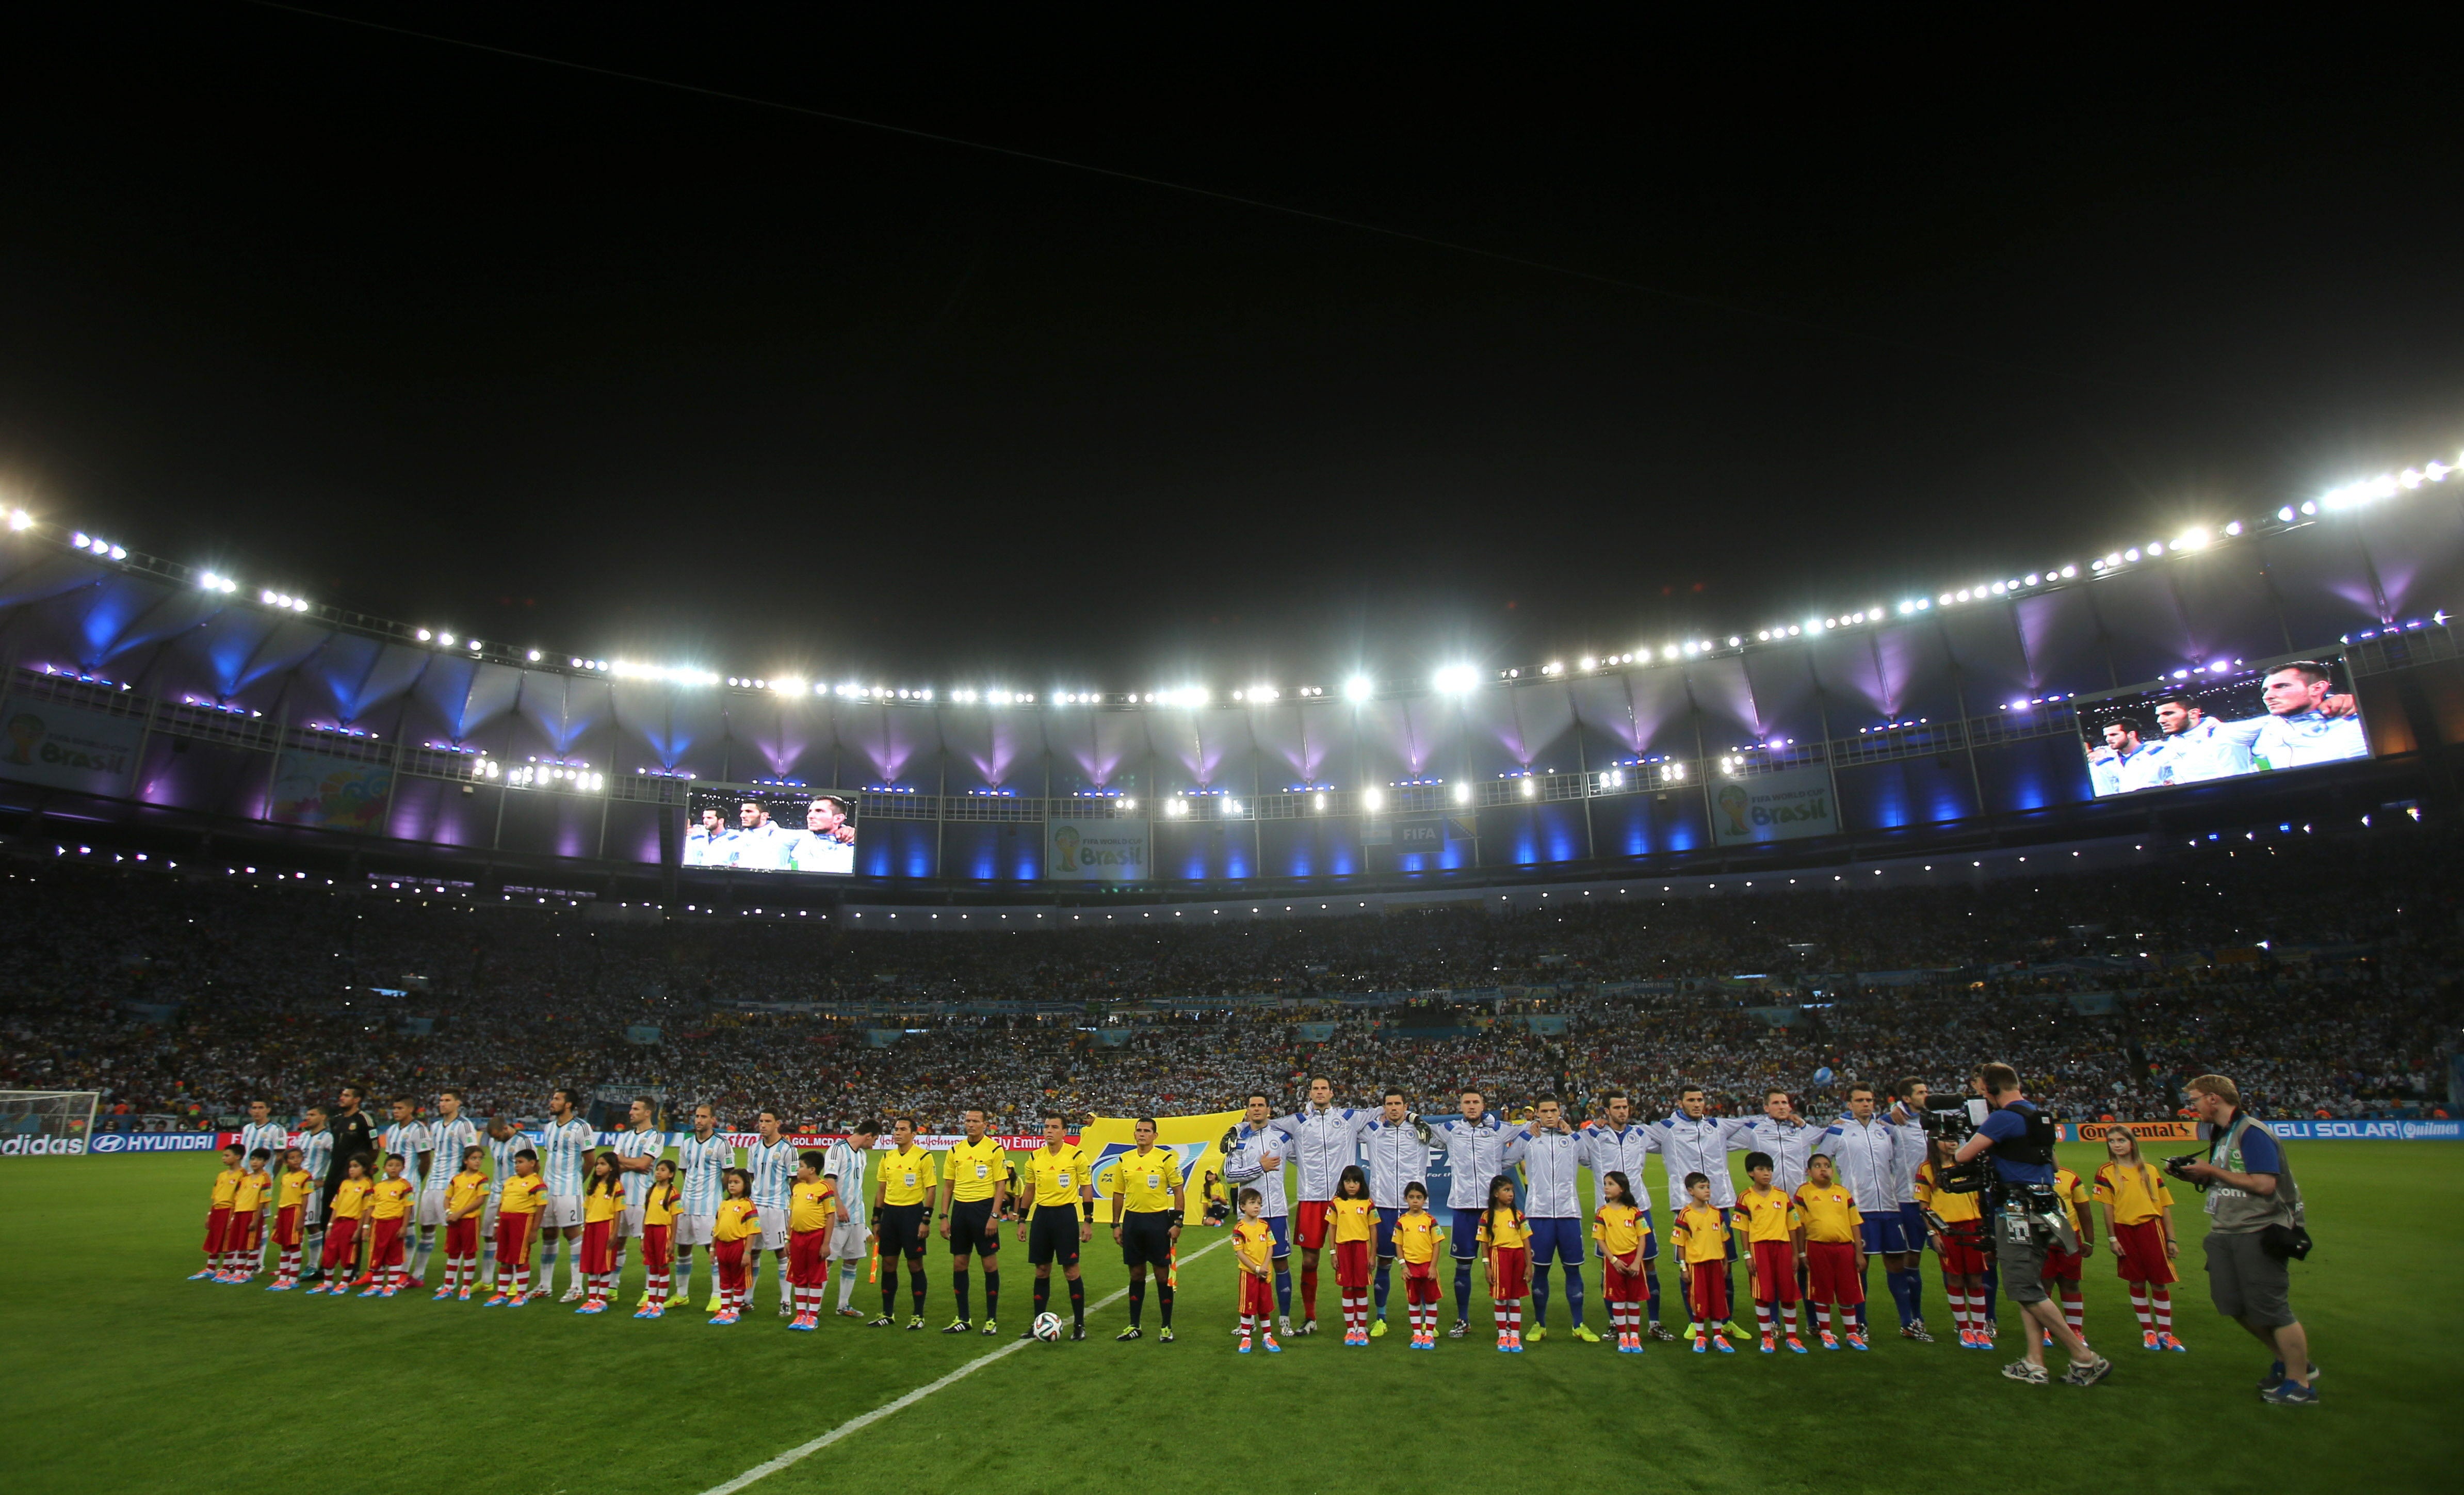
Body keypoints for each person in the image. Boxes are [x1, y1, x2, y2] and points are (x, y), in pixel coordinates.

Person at [1949, 1061, 2112, 1387]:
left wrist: (1967, 1142)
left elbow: (1963, 1157)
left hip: (2016, 1210)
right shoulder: (2040, 1116)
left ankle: (2083, 1356)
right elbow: (2053, 1162)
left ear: (1992, 1089)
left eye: (1983, 1090)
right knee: (2032, 1286)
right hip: (2046, 1207)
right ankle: (2034, 1362)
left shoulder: (2003, 1119)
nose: (1983, 1096)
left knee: (2023, 1287)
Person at [2175, 1074, 2314, 1404]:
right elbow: (2229, 1181)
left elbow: (2265, 1185)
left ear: (2213, 1099)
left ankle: (2301, 1383)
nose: (2191, 1108)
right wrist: (2194, 1174)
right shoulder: (2224, 1133)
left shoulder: (2252, 1133)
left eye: (2194, 1100)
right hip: (2226, 1228)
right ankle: (2286, 1359)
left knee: (2272, 1308)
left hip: (2259, 1229)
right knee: (2233, 1304)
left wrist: (2210, 1171)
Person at [1272, 1076, 1375, 1336]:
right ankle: (1310, 1318)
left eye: (1324, 1089)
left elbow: (1385, 1109)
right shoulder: (1298, 1121)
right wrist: (1237, 1131)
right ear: (1309, 1093)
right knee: (1309, 1260)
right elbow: (1264, 1123)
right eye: (1315, 1089)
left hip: (1345, 1202)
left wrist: (1412, 1118)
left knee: (1354, 1261)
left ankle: (1357, 1322)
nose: (1320, 1092)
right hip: (1311, 1199)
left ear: (1332, 1092)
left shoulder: (1349, 1117)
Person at [1654, 1085, 1756, 1340]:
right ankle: (1694, 1321)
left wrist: (1787, 1116)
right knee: (1688, 1265)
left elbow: (1752, 1122)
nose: (1697, 1104)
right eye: (1691, 1100)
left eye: (1700, 1099)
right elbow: (1631, 1132)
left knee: (1725, 1265)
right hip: (1685, 1207)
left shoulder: (1717, 1127)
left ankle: (1727, 1320)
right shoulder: (1666, 1128)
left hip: (1719, 1204)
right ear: (1680, 1103)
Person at [1818, 1083, 1919, 1340]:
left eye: (1870, 1100)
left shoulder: (1886, 1130)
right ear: (1849, 1104)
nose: (1866, 1104)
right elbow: (1820, 1164)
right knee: (1859, 1266)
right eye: (1860, 1100)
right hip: (1858, 1210)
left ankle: (1908, 1323)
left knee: (1897, 1263)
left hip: (1890, 1206)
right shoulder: (1838, 1130)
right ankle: (1860, 1323)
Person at [1580, 1090, 1673, 1340]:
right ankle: (1614, 1322)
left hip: (1639, 1209)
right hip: (1609, 1214)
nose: (1623, 1111)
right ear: (1606, 1111)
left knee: (1648, 1264)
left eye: (1625, 1107)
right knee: (1608, 1267)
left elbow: (1675, 1132)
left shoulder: (1641, 1134)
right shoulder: (1592, 1136)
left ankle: (1654, 1322)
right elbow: (1567, 1142)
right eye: (1617, 1107)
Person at [1503, 1095, 1596, 1343]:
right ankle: (1539, 1324)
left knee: (1573, 1269)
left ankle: (1579, 1324)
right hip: (1539, 1214)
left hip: (1569, 1213)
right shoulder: (1530, 1139)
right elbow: (1504, 1161)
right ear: (1538, 1114)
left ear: (1560, 1112)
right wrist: (1524, 1132)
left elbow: (1591, 1160)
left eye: (1553, 1110)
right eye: (1544, 1111)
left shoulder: (1572, 1140)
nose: (1549, 1115)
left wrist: (1574, 1134)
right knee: (1539, 1272)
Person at [1425, 1089, 1510, 1339]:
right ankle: (1463, 1319)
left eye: (1476, 1102)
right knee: (1463, 1266)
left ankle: (1505, 1322)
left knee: (1500, 1265)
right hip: (1462, 1209)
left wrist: (1500, 1168)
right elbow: (1421, 1132)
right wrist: (1407, 1117)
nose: (1471, 1106)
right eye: (1467, 1102)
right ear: (1460, 1106)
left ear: (1484, 1105)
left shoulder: (1499, 1130)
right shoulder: (1451, 1130)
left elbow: (1529, 1132)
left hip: (1491, 1211)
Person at [2093, 1129, 2185, 1352]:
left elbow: (2164, 1206)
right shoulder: (2106, 1172)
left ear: (2132, 1143)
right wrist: (2112, 1238)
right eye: (2112, 1141)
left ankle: (2166, 1334)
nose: (2117, 1145)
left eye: (2121, 1140)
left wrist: (2171, 1239)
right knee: (2135, 1280)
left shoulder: (2150, 1171)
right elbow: (2108, 1208)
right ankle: (2149, 1332)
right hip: (2124, 1230)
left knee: (2159, 1280)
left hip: (2152, 1228)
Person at [1221, 1092, 1296, 1336]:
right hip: (1250, 1218)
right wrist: (1259, 1168)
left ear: (1268, 1110)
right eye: (1252, 1106)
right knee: (1250, 1267)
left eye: (1261, 1105)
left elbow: (1306, 1159)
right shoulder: (1239, 1141)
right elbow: (1230, 1175)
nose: (1256, 1109)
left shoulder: (1283, 1138)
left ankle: (1284, 1319)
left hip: (1276, 1211)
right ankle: (1249, 1319)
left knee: (1281, 1262)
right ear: (1247, 1110)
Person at [1016, 1110, 1094, 1341]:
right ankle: (1038, 1323)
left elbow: (1086, 1188)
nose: (1048, 1131)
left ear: (1065, 1132)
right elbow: (1029, 1190)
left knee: (1071, 1271)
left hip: (1065, 1217)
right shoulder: (1035, 1157)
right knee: (1041, 1270)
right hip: (1042, 1217)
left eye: (1054, 1128)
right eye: (1046, 1127)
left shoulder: (1076, 1156)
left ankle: (1079, 1325)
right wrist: (1022, 1219)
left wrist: (1088, 1221)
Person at [1108, 1116, 1185, 1342]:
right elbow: (1118, 1194)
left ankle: (1166, 1326)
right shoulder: (1124, 1160)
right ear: (1135, 1134)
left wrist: (1178, 1222)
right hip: (1133, 1222)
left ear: (1155, 1136)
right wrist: (1116, 1224)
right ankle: (1134, 1325)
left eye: (1147, 1131)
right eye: (1139, 1130)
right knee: (1136, 1274)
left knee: (1162, 1275)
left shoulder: (1166, 1159)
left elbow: (1179, 1191)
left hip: (1158, 1221)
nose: (1142, 1134)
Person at [1359, 1089, 1428, 1338]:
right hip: (1385, 1206)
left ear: (1406, 1106)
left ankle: (1425, 1320)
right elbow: (1346, 1127)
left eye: (1398, 1104)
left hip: (1415, 1210)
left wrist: (1416, 1119)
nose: (1394, 1108)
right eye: (1389, 1104)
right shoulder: (1374, 1132)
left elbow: (1451, 1135)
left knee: (1421, 1265)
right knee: (1384, 1263)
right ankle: (1381, 1317)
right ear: (1384, 1107)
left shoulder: (1421, 1130)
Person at [2211, 662, 2366, 771]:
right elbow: (2222, 734)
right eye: (2265, 691)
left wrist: (2361, 701)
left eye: (2281, 686)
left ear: (2317, 688)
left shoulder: (2356, 720)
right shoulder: (2265, 732)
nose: (2268, 697)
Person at [1915, 1134, 1992, 1348]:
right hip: (1947, 1229)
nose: (1952, 1143)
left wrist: (1985, 1231)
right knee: (1955, 1279)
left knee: (1976, 1279)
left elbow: (1981, 1200)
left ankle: (1980, 1329)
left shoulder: (1969, 1164)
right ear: (1935, 1143)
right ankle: (1964, 1329)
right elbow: (1924, 1207)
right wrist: (1933, 1234)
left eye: (1954, 1139)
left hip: (1973, 1226)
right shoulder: (1927, 1169)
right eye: (1946, 1139)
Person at [937, 1110, 1004, 1334]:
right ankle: (963, 1318)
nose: (971, 1125)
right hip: (961, 1211)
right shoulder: (955, 1150)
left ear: (985, 1124)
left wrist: (995, 1216)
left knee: (989, 1265)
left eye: (976, 1121)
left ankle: (991, 1319)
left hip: (984, 1209)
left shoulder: (994, 1149)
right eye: (968, 1121)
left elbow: (1000, 1186)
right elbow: (948, 1186)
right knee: (959, 1264)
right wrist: (944, 1217)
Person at [1733, 1152, 1806, 1353]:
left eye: (1769, 1170)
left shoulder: (1782, 1196)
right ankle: (1767, 1337)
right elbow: (1743, 1229)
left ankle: (1793, 1337)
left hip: (1783, 1247)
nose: (1766, 1174)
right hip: (1759, 1248)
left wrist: (1795, 1253)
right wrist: (1747, 1255)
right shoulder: (1746, 1197)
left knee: (1788, 1293)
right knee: (1763, 1294)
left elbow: (1792, 1226)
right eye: (1761, 1170)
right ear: (1751, 1173)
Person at [869, 1115, 937, 1329]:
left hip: (912, 1215)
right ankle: (887, 1313)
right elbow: (881, 1190)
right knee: (888, 1264)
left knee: (914, 1264)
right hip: (890, 1215)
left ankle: (918, 1315)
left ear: (913, 1134)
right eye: (895, 1129)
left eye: (902, 1129)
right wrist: (876, 1218)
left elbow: (931, 1189)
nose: (897, 1133)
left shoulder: (924, 1157)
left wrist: (925, 1220)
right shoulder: (887, 1157)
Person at [1794, 1153, 1867, 1349]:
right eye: (1818, 1166)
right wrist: (1801, 1253)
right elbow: (1798, 1225)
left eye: (1827, 1165)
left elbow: (1855, 1223)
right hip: (1817, 1247)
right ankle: (1826, 1333)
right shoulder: (1804, 1192)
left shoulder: (1843, 1192)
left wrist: (1859, 1253)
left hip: (1844, 1248)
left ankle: (1852, 1334)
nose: (1823, 1169)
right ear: (1809, 1172)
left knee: (1848, 1292)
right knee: (1822, 1291)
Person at [673, 1103, 736, 1311]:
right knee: (683, 1247)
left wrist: (716, 1192)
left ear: (713, 1120)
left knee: (712, 1250)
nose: (699, 1120)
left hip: (709, 1206)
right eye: (697, 1116)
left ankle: (718, 1295)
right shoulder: (687, 1144)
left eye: (703, 1117)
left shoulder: (722, 1144)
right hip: (686, 1204)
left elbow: (728, 1175)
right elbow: (685, 1171)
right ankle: (682, 1294)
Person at [414, 1089, 478, 1288]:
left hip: (449, 1184)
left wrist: (460, 1183)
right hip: (432, 1182)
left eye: (447, 1100)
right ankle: (418, 1275)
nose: (443, 1104)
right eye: (441, 1100)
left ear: (458, 1103)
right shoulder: (435, 1126)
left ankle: (451, 1280)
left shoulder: (465, 1125)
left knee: (452, 1229)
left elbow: (471, 1152)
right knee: (426, 1227)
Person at [537, 1087, 596, 1303]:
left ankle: (577, 1287)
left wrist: (577, 1183)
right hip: (548, 1190)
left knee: (573, 1235)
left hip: (569, 1190)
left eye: (557, 1099)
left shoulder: (582, 1127)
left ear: (568, 1104)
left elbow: (590, 1160)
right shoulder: (549, 1127)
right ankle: (545, 1285)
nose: (552, 1102)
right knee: (549, 1234)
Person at [1670, 1172, 1734, 1352]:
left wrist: (1726, 1261)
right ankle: (1700, 1337)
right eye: (1702, 1187)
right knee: (1699, 1301)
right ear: (1691, 1191)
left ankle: (1718, 1337)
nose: (1707, 1191)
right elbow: (1680, 1244)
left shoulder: (1716, 1213)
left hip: (1715, 1264)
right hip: (1696, 1265)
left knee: (1717, 1300)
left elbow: (1723, 1239)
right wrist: (1683, 1267)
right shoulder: (1685, 1215)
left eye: (1708, 1187)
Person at [745, 1109, 800, 1318]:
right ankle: (747, 1299)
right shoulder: (754, 1149)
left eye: (768, 1121)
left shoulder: (788, 1149)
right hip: (756, 1206)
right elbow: (752, 1176)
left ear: (778, 1123)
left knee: (782, 1253)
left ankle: (786, 1301)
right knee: (753, 1252)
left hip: (778, 1206)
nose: (763, 1125)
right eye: (761, 1121)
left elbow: (794, 1180)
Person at [1591, 1171, 1650, 1354]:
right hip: (1614, 1262)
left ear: (1622, 1189)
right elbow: (1600, 1239)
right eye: (1606, 1184)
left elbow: (1642, 1238)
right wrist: (1613, 1260)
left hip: (1633, 1261)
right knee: (1618, 1300)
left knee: (1633, 1300)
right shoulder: (1603, 1212)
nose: (1606, 1188)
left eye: (1611, 1184)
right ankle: (1623, 1337)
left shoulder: (1634, 1212)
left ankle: (1635, 1336)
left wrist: (1637, 1262)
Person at [610, 1096, 663, 1303]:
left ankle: (650, 1291)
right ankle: (612, 1287)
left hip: (643, 1199)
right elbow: (615, 1165)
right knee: (617, 1242)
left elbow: (644, 1165)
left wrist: (622, 1161)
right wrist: (628, 1163)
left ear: (648, 1112)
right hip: (621, 1198)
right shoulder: (624, 1137)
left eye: (635, 1109)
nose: (631, 1112)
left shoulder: (656, 1137)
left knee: (646, 1246)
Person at [2039, 1161, 2097, 1347]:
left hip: (2069, 1237)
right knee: (2044, 1284)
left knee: (2071, 1283)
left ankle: (2075, 1331)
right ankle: (2044, 1330)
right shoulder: (2027, 1176)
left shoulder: (2070, 1177)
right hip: (2041, 1237)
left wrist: (2089, 1240)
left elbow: (2083, 1209)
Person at [378, 1099, 434, 1285]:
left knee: (407, 1228)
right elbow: (389, 1158)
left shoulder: (419, 1129)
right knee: (386, 1226)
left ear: (411, 1110)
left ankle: (404, 1272)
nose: (395, 1111)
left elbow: (425, 1159)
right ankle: (383, 1269)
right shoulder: (392, 1130)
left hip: (409, 1185)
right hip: (388, 1186)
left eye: (400, 1108)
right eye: (394, 1107)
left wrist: (415, 1181)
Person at [1476, 1174, 1531, 1354]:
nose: (1511, 1194)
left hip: (1517, 1258)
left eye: (1512, 1191)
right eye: (1506, 1190)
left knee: (1515, 1297)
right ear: (1495, 1194)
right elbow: (1484, 1243)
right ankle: (1502, 1334)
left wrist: (1529, 1265)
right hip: (1499, 1257)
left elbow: (1526, 1241)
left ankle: (1514, 1335)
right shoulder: (1487, 1216)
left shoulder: (1518, 1215)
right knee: (1501, 1297)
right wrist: (1487, 1266)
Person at [786, 1150, 839, 1330]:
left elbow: (830, 1217)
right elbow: (792, 1214)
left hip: (816, 1236)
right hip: (797, 1237)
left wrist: (826, 1243)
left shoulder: (824, 1188)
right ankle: (801, 1314)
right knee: (799, 1275)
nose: (797, 1170)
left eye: (801, 1166)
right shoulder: (797, 1188)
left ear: (812, 1170)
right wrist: (788, 1238)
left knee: (815, 1277)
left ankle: (813, 1315)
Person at [486, 1148, 545, 1306]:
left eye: (521, 1162)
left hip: (523, 1221)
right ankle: (501, 1294)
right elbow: (502, 1204)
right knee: (504, 1259)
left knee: (520, 1259)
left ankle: (521, 1294)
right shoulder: (510, 1181)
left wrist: (534, 1230)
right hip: (506, 1221)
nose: (517, 1166)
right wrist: (497, 1225)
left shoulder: (537, 1183)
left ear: (532, 1163)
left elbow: (541, 1208)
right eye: (516, 1163)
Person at [1326, 1164, 1376, 1346]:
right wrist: (1333, 1252)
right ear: (1343, 1183)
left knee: (1361, 1287)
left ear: (1362, 1184)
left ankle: (1361, 1329)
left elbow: (1373, 1229)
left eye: (1356, 1181)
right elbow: (1332, 1227)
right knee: (1347, 1287)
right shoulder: (1336, 1203)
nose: (1352, 1185)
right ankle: (1350, 1330)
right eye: (1348, 1181)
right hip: (1344, 1249)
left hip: (1362, 1249)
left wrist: (1373, 1255)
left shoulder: (1368, 1204)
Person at [307, 1155, 372, 1295]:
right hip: (338, 1222)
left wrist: (362, 1229)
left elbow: (366, 1209)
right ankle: (328, 1283)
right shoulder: (345, 1184)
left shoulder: (367, 1185)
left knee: (347, 1253)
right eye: (350, 1167)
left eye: (356, 1167)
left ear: (365, 1168)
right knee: (330, 1251)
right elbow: (336, 1206)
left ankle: (344, 1283)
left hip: (353, 1223)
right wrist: (330, 1225)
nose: (352, 1170)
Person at [1392, 1181, 1446, 1349]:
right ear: (1406, 1199)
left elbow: (1437, 1244)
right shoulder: (1402, 1222)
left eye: (1419, 1197)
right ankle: (1417, 1334)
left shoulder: (1431, 1221)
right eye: (1412, 1197)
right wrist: (1403, 1266)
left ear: (1425, 1200)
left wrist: (1432, 1267)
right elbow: (1398, 1246)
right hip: (1411, 1268)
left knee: (1430, 1300)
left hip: (1427, 1266)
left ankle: (1429, 1334)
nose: (1415, 1201)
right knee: (1414, 1301)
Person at [238, 1100, 287, 1277]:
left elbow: (280, 1156)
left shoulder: (277, 1130)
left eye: (261, 1108)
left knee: (261, 1219)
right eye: (254, 1108)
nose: (257, 1111)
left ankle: (258, 1262)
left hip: (263, 1180)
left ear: (268, 1109)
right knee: (243, 1216)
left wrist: (271, 1177)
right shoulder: (247, 1129)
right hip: (245, 1180)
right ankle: (241, 1259)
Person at [436, 1144, 489, 1301]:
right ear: (466, 1161)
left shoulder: (482, 1179)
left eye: (480, 1159)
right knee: (453, 1252)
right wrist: (449, 1213)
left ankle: (466, 1287)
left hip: (470, 1220)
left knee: (469, 1253)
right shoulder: (457, 1179)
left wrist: (460, 1214)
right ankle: (448, 1286)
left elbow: (480, 1200)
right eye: (474, 1158)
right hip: (454, 1220)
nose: (477, 1162)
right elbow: (447, 1199)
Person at [1231, 1187, 1281, 1355]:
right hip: (1249, 1275)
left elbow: (1270, 1248)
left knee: (1265, 1307)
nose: (1257, 1207)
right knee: (1247, 1307)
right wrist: (1256, 1269)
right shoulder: (1240, 1229)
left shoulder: (1265, 1226)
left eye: (1259, 1203)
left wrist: (1265, 1267)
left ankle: (1268, 1337)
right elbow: (1240, 1253)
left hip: (1264, 1275)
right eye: (1252, 1203)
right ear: (1243, 1206)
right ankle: (1246, 1338)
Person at [709, 1168, 760, 1325]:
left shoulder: (748, 1205)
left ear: (745, 1185)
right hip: (722, 1247)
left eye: (736, 1182)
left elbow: (752, 1231)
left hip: (738, 1246)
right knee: (725, 1279)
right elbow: (717, 1228)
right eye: (730, 1182)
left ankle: (735, 1310)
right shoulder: (724, 1204)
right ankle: (724, 1310)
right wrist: (713, 1249)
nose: (732, 1185)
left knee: (738, 1279)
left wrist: (747, 1252)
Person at [575, 1150, 623, 1314]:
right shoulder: (592, 1185)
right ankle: (591, 1299)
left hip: (606, 1226)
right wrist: (584, 1227)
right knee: (591, 1262)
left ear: (611, 1167)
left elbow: (618, 1211)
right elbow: (587, 1208)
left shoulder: (616, 1186)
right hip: (591, 1226)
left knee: (604, 1263)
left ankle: (601, 1299)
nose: (598, 1167)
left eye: (603, 1164)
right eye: (597, 1164)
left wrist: (615, 1232)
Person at [364, 1153, 417, 1297]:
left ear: (403, 1168)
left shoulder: (405, 1186)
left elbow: (408, 1207)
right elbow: (370, 1207)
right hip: (378, 1224)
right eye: (390, 1165)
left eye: (397, 1166)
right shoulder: (378, 1187)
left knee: (394, 1254)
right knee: (377, 1253)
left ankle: (391, 1286)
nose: (394, 1169)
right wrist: (366, 1227)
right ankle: (376, 1285)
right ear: (384, 1168)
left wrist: (404, 1227)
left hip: (395, 1223)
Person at [636, 1159, 680, 1319]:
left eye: (662, 1170)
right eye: (657, 1169)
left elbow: (675, 1218)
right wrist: (642, 1236)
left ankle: (660, 1303)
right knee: (652, 1266)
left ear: (671, 1174)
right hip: (650, 1231)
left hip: (664, 1231)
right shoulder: (651, 1190)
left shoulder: (672, 1192)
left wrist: (672, 1240)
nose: (658, 1172)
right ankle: (650, 1303)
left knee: (662, 1265)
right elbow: (646, 1214)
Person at [294, 1105, 334, 1283]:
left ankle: (312, 1265)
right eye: (307, 1114)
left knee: (313, 1225)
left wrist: (325, 1180)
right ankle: (291, 1265)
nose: (308, 1117)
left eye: (312, 1115)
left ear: (323, 1117)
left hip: (315, 1188)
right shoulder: (302, 1137)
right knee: (295, 1224)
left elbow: (338, 1162)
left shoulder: (328, 1138)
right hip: (296, 1187)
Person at [220, 1148, 273, 1283]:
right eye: (253, 1159)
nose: (255, 1162)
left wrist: (256, 1219)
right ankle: (239, 1271)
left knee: (252, 1245)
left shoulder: (265, 1178)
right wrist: (233, 1217)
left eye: (259, 1160)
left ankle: (248, 1272)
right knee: (241, 1244)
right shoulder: (246, 1178)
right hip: (240, 1213)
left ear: (265, 1162)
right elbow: (238, 1198)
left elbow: (263, 1200)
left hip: (253, 1214)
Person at [267, 1144, 315, 1291]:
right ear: (286, 1162)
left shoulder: (306, 1176)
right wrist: (277, 1216)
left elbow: (306, 1198)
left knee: (294, 1245)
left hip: (295, 1211)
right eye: (292, 1158)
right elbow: (282, 1197)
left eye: (298, 1157)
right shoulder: (286, 1177)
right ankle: (283, 1278)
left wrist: (302, 1218)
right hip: (283, 1211)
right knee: (284, 1245)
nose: (296, 1160)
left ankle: (293, 1279)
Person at [2087, 717, 2161, 794]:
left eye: (2114, 735)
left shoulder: (2158, 752)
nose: (2108, 739)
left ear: (2131, 734)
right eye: (2106, 736)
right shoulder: (2104, 763)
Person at [785, 796, 856, 874]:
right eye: (810, 811)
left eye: (819, 811)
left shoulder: (854, 845)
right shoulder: (796, 839)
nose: (810, 816)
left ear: (838, 818)